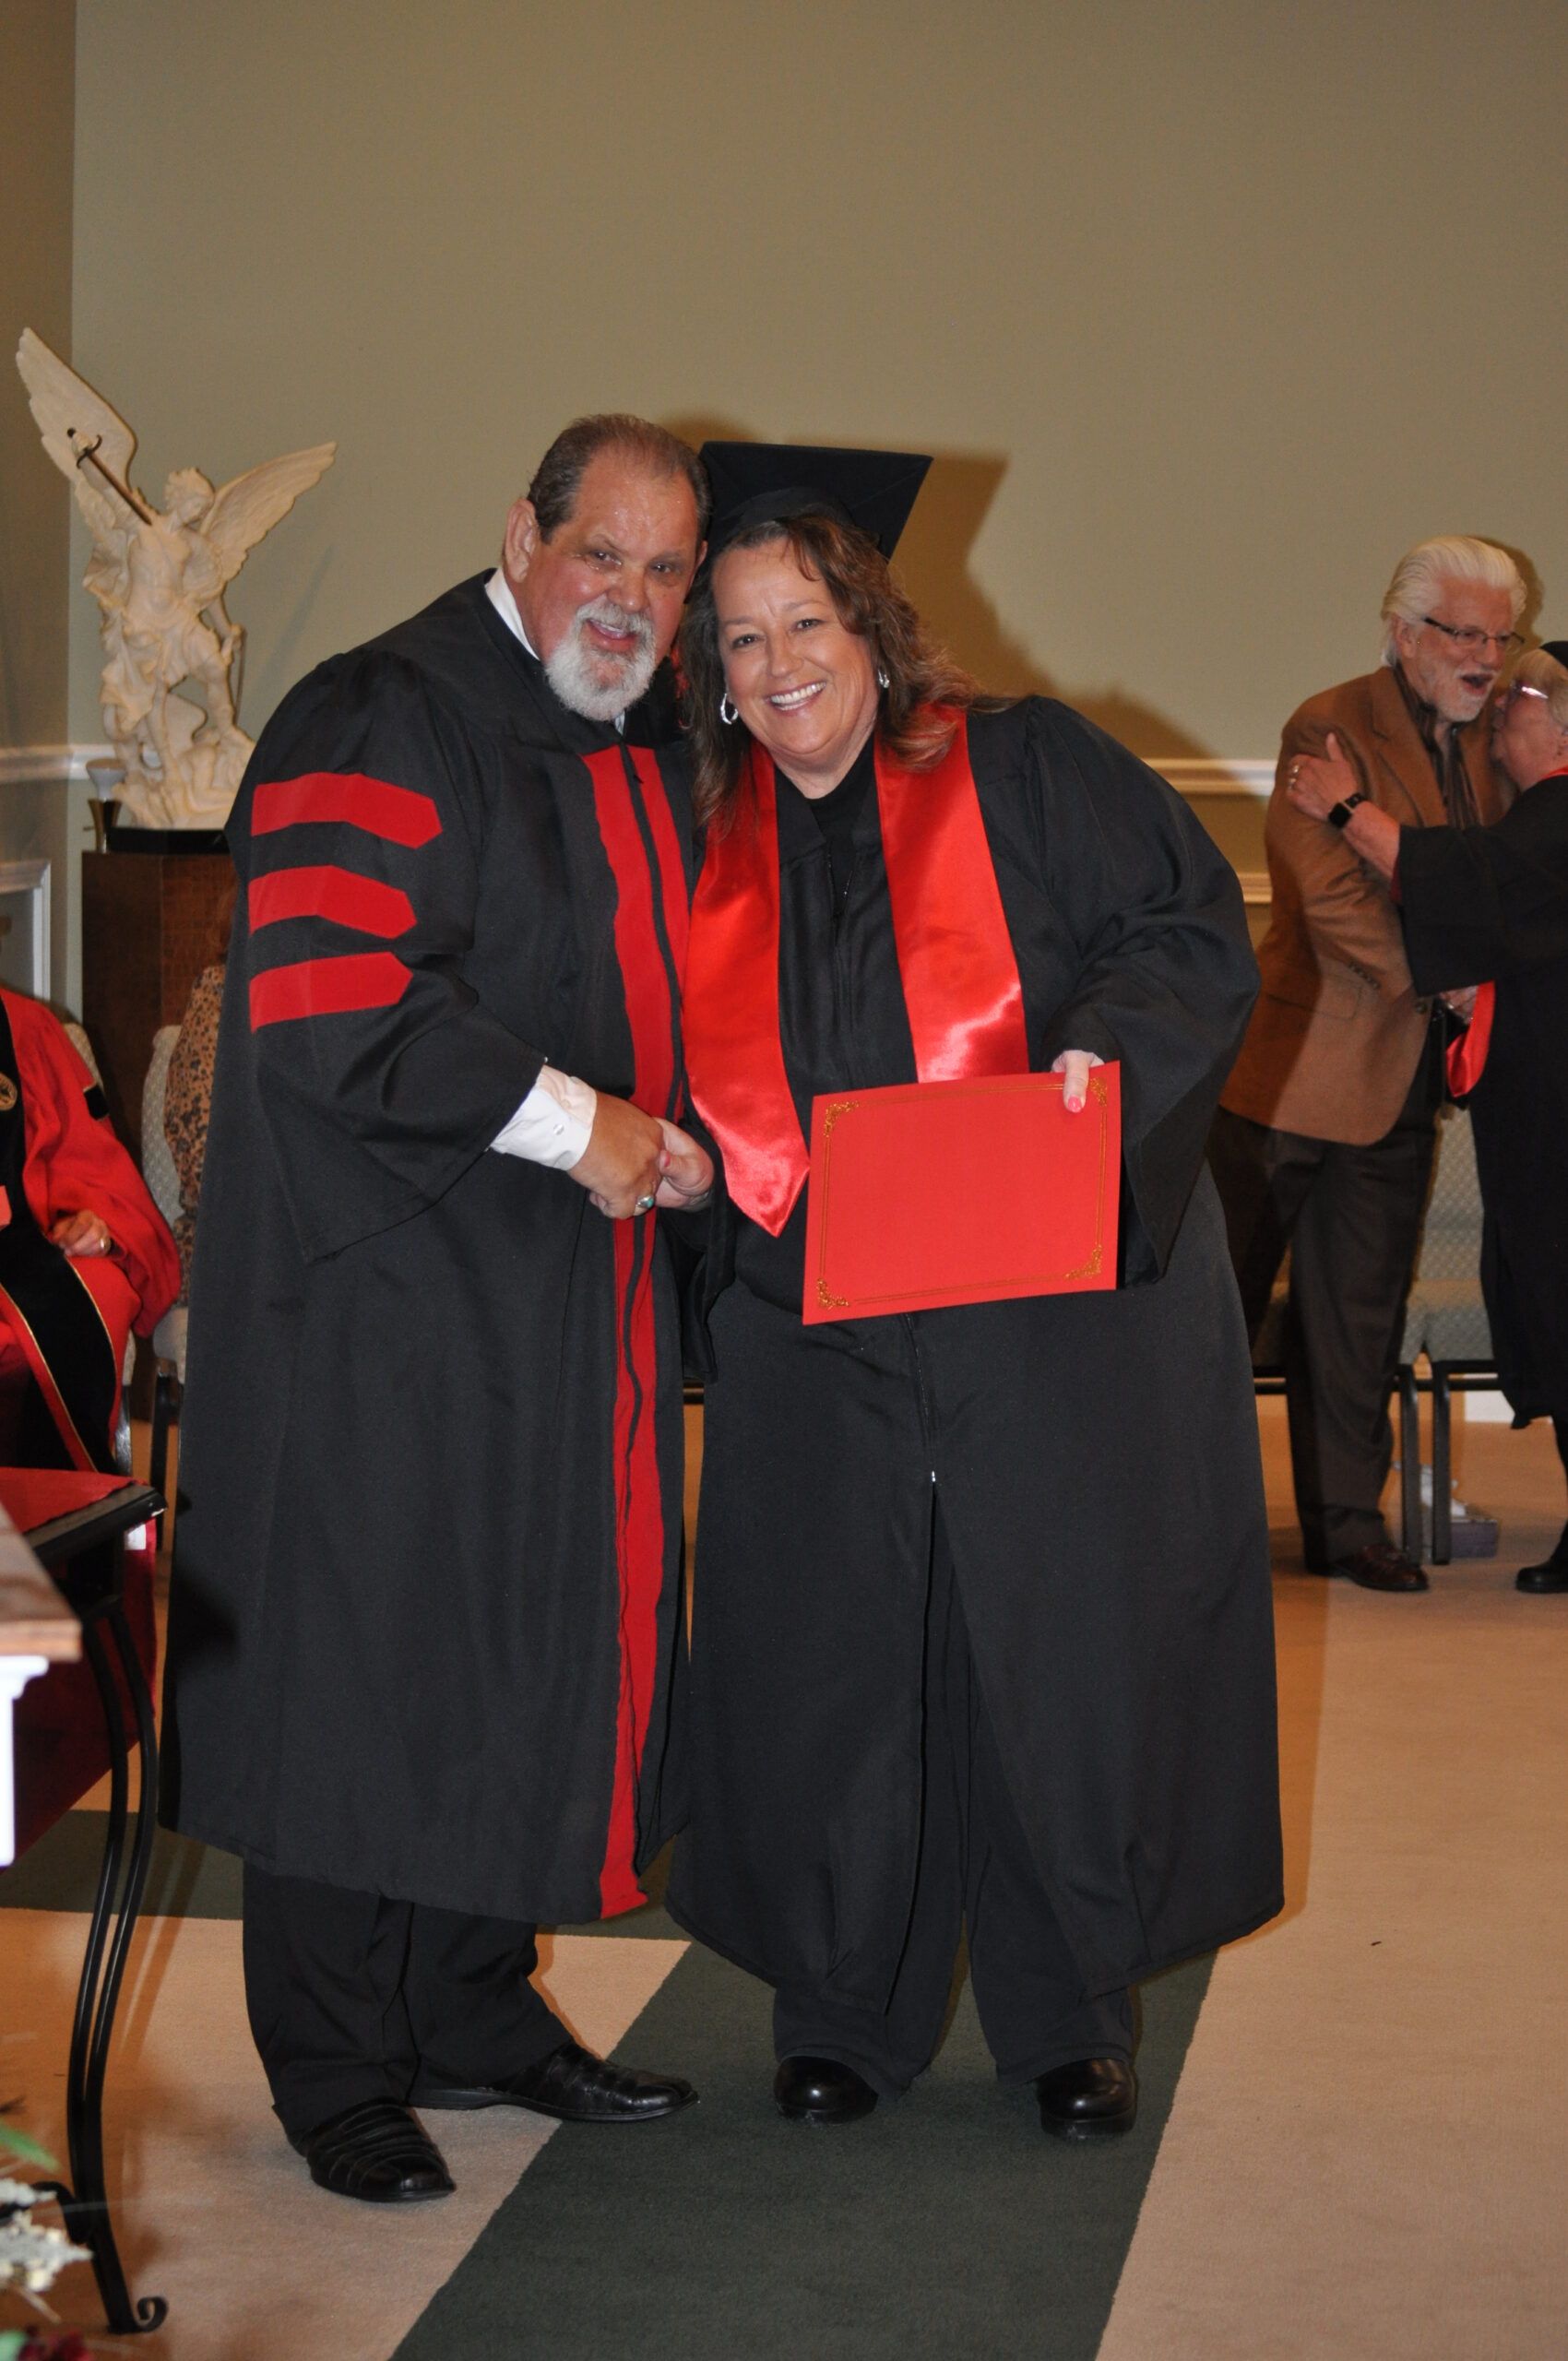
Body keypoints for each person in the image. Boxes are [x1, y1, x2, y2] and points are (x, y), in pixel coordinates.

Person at [669, 444, 1282, 2140]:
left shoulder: (1028, 765)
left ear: (872, 624)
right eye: (736, 638)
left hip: (1042, 1293)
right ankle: (838, 2013)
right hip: (812, 1310)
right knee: (838, 1648)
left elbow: (1185, 936)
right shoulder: (691, 825)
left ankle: (1068, 2018)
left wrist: (1081, 1075)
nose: (777, 666)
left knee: (1043, 1639)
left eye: (805, 620)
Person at [160, 415, 715, 2204]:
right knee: (360, 1655)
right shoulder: (378, 709)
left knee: (518, 1638)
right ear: (522, 533)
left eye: (666, 567)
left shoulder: (621, 738)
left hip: (551, 1295)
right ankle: (334, 2062)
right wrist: (590, 1121)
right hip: (376, 1299)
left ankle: (473, 2002)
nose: (630, 597)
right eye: (603, 552)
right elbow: (329, 996)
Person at [1209, 537, 1524, 1593]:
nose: (1484, 656)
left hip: (1401, 1085)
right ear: (1403, 634)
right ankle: (1189, 1521)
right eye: (1463, 633)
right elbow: (1326, 899)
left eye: (1498, 634)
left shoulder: (1500, 743)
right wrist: (1447, 976)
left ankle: (1346, 1527)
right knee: (1221, 1306)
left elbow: (1497, 883)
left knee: (1358, 1315)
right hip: (1290, 1074)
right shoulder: (1328, 722)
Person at [1288, 638, 1568, 1596]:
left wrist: (1340, 805)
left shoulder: (1557, 811)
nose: (1498, 709)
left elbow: (1464, 878)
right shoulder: (1533, 811)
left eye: (1516, 692)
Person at [0, 988, 178, 1470]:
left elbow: (92, 1166)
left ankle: (66, 1532)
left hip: (19, 1256)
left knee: (98, 1288)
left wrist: (94, 1225)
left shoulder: (24, 1029)